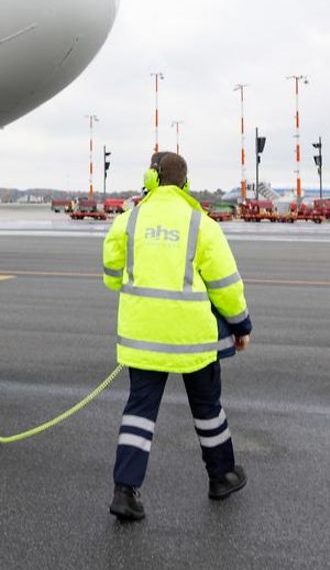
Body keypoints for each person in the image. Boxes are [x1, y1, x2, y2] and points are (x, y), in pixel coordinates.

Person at [101, 151, 252, 522]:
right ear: (185, 183)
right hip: (193, 340)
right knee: (207, 409)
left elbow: (110, 274)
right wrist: (241, 326)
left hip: (143, 338)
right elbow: (225, 286)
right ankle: (221, 476)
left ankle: (125, 491)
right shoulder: (201, 224)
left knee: (139, 412)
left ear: (150, 179)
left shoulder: (128, 220)